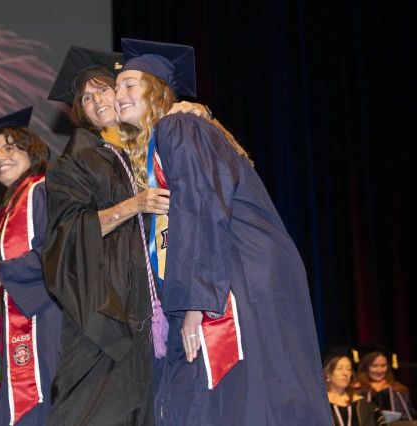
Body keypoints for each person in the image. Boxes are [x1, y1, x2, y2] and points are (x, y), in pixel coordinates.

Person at [114, 38, 333, 425]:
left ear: (157, 89)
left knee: (226, 393)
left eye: (130, 84)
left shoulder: (177, 126)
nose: (119, 95)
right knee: (261, 390)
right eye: (117, 88)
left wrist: (196, 301)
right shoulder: (180, 131)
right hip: (244, 272)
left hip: (233, 273)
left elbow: (200, 206)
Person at [43, 45, 208, 425]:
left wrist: (193, 110)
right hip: (105, 314)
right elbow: (64, 236)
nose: (97, 99)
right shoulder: (75, 160)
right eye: (85, 96)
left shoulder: (146, 144)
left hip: (157, 309)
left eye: (104, 89)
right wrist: (134, 205)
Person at [0, 107, 61, 426]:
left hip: (37, 322)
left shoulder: (42, 190)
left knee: (33, 406)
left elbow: (56, 252)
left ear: (31, 149)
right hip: (11, 322)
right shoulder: (10, 203)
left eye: (10, 148)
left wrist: (4, 272)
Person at [323, 347, 385, 426]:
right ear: (328, 373)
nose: (345, 373)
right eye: (339, 368)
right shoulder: (320, 404)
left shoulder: (362, 404)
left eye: (349, 369)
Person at [355, 344, 415, 421]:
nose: (379, 370)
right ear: (366, 368)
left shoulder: (398, 391)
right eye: (374, 366)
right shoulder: (357, 391)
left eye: (383, 365)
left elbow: (409, 418)